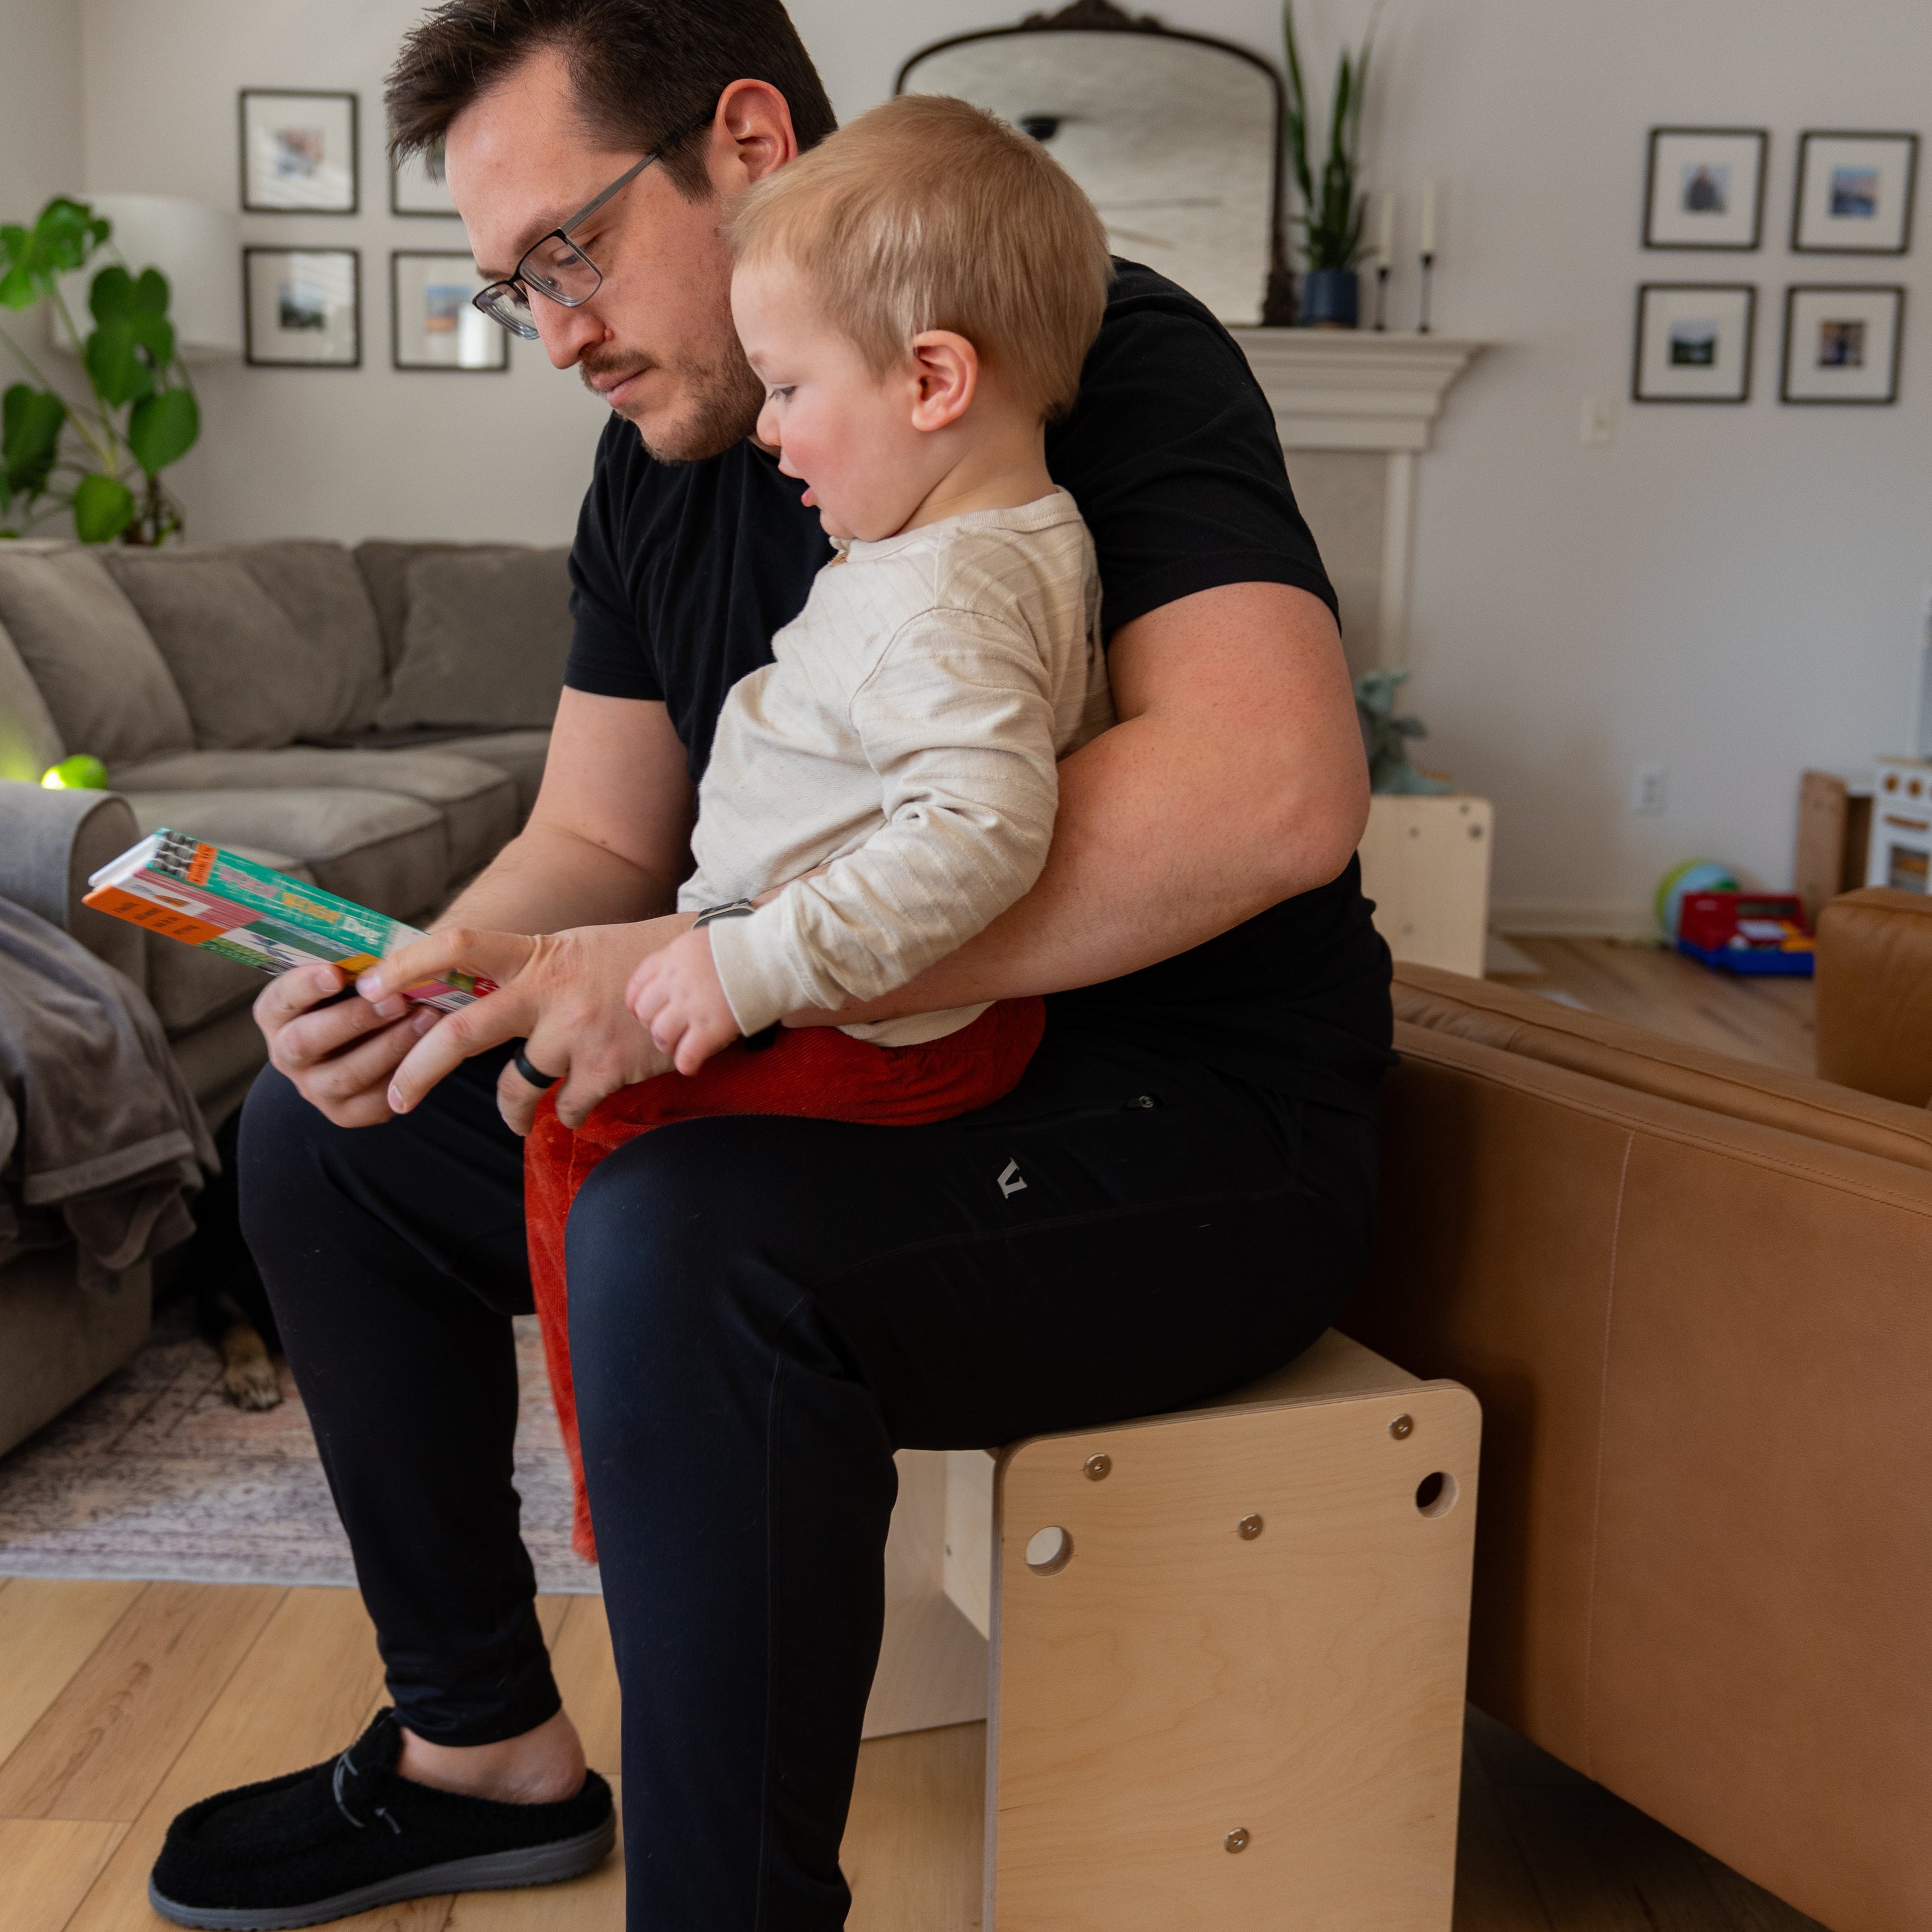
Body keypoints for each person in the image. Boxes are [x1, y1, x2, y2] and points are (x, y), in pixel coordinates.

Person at [147, 2, 1392, 1927]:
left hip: (1182, 1125)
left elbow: (1273, 791)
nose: (552, 331)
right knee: (341, 1141)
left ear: (747, 143)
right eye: (509, 289)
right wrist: (441, 968)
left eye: (565, 249)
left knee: (685, 1235)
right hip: (849, 1066)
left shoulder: (1071, 347)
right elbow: (596, 840)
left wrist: (706, 966)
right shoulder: (659, 450)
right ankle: (481, 1754)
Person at [525, 92, 1118, 1563]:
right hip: (858, 1000)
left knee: (569, 1132)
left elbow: (980, 828)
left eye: (790, 391)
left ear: (931, 379)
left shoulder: (938, 596)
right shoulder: (987, 538)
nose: (772, 434)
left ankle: (625, 1512)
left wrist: (741, 970)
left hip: (881, 1033)